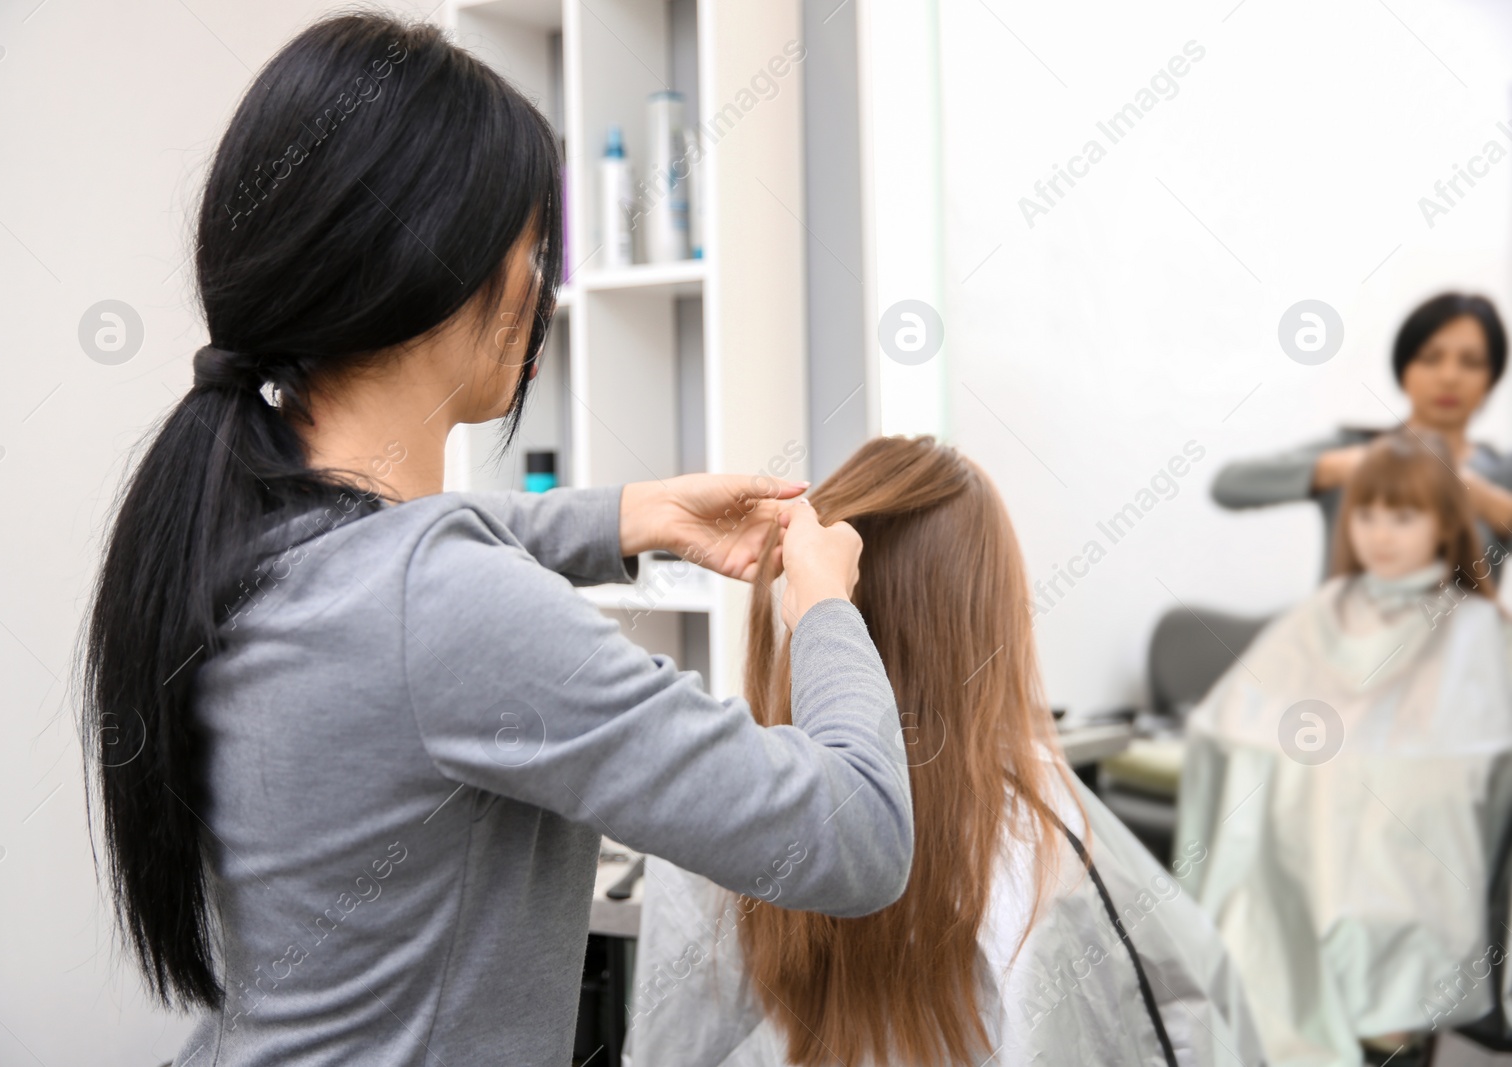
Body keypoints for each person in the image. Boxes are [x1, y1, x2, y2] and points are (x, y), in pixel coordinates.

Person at [80, 15, 915, 1065]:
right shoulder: (442, 605)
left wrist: (630, 515)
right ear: (444, 266)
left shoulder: (239, 529)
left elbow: (408, 563)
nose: (541, 284)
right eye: (533, 247)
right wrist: (824, 607)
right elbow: (857, 835)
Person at [623, 436, 1264, 1067]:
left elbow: (670, 1046)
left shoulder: (730, 795)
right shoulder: (1042, 848)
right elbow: (1186, 1024)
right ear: (985, 623)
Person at [1178, 433, 1512, 1067]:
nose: (1380, 533)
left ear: (1446, 523)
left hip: (1405, 871)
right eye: (1367, 514)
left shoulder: (1473, 628)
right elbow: (1226, 722)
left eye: (1404, 515)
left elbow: (1473, 763)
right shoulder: (1325, 609)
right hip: (1298, 858)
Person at [1212, 293, 1512, 580]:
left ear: (1492, 379)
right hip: (1342, 632)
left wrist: (1484, 500)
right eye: (1430, 358)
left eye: (1471, 362)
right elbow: (1228, 485)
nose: (1449, 377)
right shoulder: (1352, 449)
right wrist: (1338, 469)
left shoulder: (1502, 472)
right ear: (1403, 368)